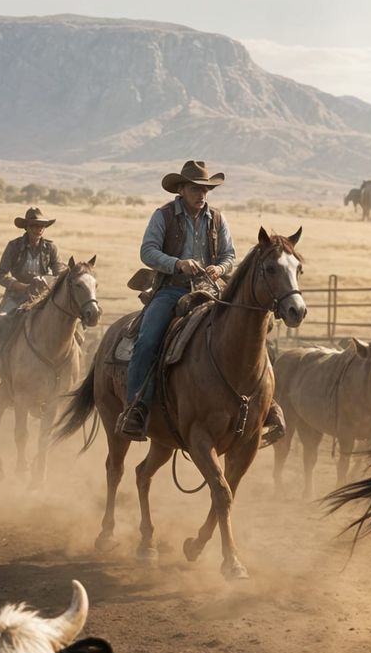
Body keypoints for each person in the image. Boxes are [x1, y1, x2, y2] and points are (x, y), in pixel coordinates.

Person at [120, 160, 285, 444]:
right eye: (196, 189)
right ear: (182, 189)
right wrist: (177, 263)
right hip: (172, 289)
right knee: (148, 340)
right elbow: (147, 251)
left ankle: (267, 404)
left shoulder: (217, 219)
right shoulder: (164, 216)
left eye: (206, 189)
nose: (202, 195)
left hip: (212, 290)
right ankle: (136, 407)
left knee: (255, 334)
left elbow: (229, 255)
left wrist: (220, 269)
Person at [0, 207, 63, 370]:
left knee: (65, 318)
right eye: (34, 226)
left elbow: (59, 273)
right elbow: (0, 274)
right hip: (16, 296)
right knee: (3, 318)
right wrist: (19, 286)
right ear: (27, 227)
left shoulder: (50, 248)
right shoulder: (14, 246)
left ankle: (72, 355)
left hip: (42, 297)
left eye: (41, 226)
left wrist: (49, 282)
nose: (38, 229)